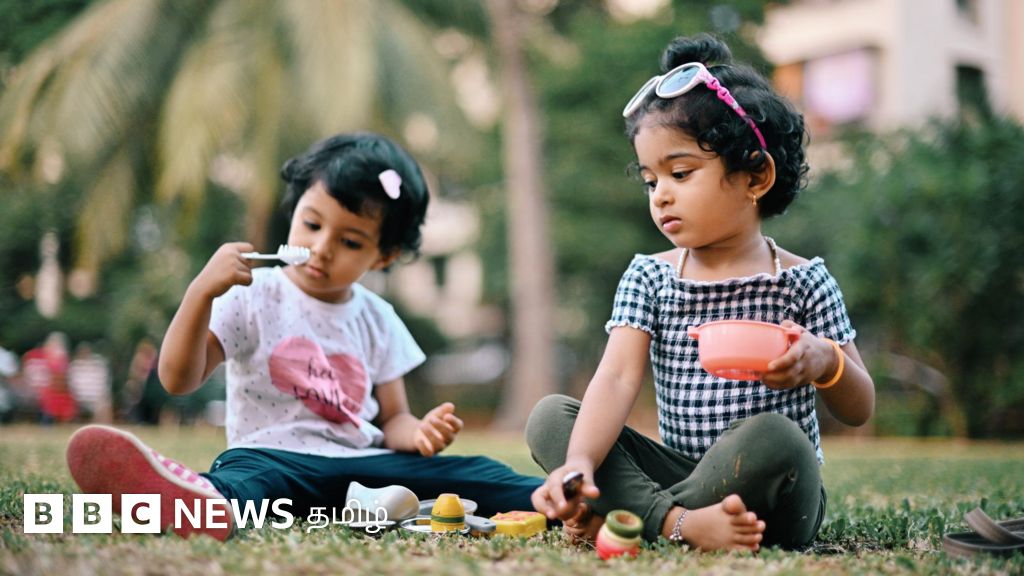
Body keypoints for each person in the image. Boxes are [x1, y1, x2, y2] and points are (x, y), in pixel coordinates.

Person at [67, 132, 541, 540]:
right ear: (294, 210)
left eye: (350, 241)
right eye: (312, 224)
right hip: (274, 459)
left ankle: (553, 496)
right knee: (246, 481)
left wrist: (418, 433)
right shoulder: (250, 293)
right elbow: (176, 379)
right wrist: (200, 292)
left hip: (363, 467)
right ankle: (200, 500)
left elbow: (393, 418)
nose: (321, 247)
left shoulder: (378, 317)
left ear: (383, 256)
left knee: (477, 473)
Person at [526, 34, 875, 552]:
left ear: (755, 175)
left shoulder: (805, 282)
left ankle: (635, 518)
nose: (661, 195)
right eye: (651, 181)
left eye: (680, 173)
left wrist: (825, 361)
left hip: (774, 493)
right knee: (551, 417)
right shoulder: (651, 277)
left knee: (776, 435)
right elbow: (616, 378)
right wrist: (579, 462)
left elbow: (860, 408)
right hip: (681, 473)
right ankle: (678, 523)